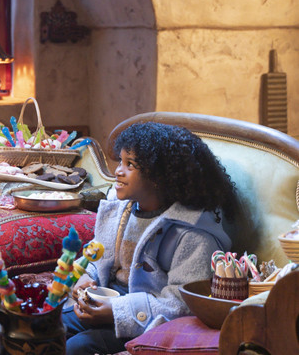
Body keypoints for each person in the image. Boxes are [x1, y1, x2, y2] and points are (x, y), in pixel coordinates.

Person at [63, 121, 238, 355]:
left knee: (78, 347)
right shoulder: (120, 212)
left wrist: (117, 310)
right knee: (47, 325)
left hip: (146, 320)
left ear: (159, 176)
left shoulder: (192, 234)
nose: (118, 171)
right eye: (120, 161)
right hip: (109, 300)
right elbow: (99, 259)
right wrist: (86, 278)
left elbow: (181, 304)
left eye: (130, 164)